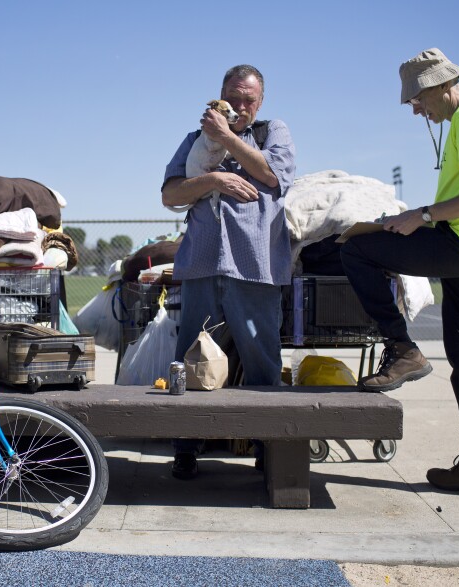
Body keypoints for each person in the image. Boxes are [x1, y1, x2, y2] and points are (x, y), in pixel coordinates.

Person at [340, 48, 459, 498]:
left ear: (440, 85)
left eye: (417, 99)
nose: (416, 108)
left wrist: (421, 214)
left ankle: (403, 349)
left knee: (358, 249)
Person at [161, 64, 296, 479]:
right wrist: (214, 176)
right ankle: (187, 447)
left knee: (262, 362)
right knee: (193, 359)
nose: (239, 106)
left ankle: (267, 449)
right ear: (218, 98)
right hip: (202, 263)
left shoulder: (274, 132)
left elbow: (274, 176)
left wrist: (227, 138)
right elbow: (170, 194)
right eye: (232, 99)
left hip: (254, 264)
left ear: (261, 102)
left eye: (248, 101)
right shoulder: (194, 141)